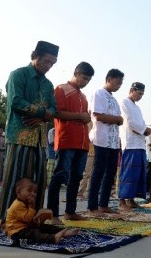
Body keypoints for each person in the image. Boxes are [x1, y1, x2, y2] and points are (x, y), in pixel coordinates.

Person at [0, 41, 58, 220]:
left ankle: (32, 218)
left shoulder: (48, 84)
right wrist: (43, 112)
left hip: (39, 137)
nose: (49, 66)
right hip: (19, 136)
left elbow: (53, 108)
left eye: (52, 64)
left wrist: (44, 115)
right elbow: (16, 101)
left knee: (39, 180)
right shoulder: (18, 75)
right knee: (17, 179)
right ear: (35, 56)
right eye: (46, 61)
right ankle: (7, 220)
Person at [47, 62, 95, 224]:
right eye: (84, 78)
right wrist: (79, 116)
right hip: (66, 140)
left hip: (82, 143)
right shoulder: (61, 89)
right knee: (60, 175)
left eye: (88, 80)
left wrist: (85, 118)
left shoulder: (83, 96)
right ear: (76, 73)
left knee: (76, 177)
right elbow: (57, 112)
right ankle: (53, 214)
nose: (86, 82)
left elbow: (84, 118)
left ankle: (70, 212)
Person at [87, 69, 124, 215]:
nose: (119, 85)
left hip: (114, 142)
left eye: (121, 83)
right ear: (109, 79)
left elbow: (119, 120)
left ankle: (103, 204)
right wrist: (117, 120)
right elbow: (98, 116)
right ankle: (92, 206)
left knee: (110, 173)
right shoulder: (99, 94)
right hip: (101, 140)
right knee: (98, 172)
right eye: (117, 82)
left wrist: (117, 120)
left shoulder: (114, 100)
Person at [5, 178, 78, 244]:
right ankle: (53, 238)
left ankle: (65, 231)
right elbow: (28, 219)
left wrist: (38, 220)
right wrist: (32, 206)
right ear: (18, 193)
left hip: (26, 227)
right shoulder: (17, 205)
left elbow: (30, 220)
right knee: (34, 233)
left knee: (44, 227)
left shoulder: (26, 203)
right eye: (29, 190)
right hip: (16, 232)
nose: (33, 194)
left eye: (34, 192)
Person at [118, 82, 151, 211]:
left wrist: (145, 129)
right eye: (139, 93)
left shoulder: (137, 108)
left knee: (137, 174)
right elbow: (130, 123)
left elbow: (141, 123)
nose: (140, 96)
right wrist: (145, 130)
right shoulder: (124, 102)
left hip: (140, 144)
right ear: (132, 90)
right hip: (130, 143)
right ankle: (122, 201)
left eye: (142, 94)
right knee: (128, 173)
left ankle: (131, 200)